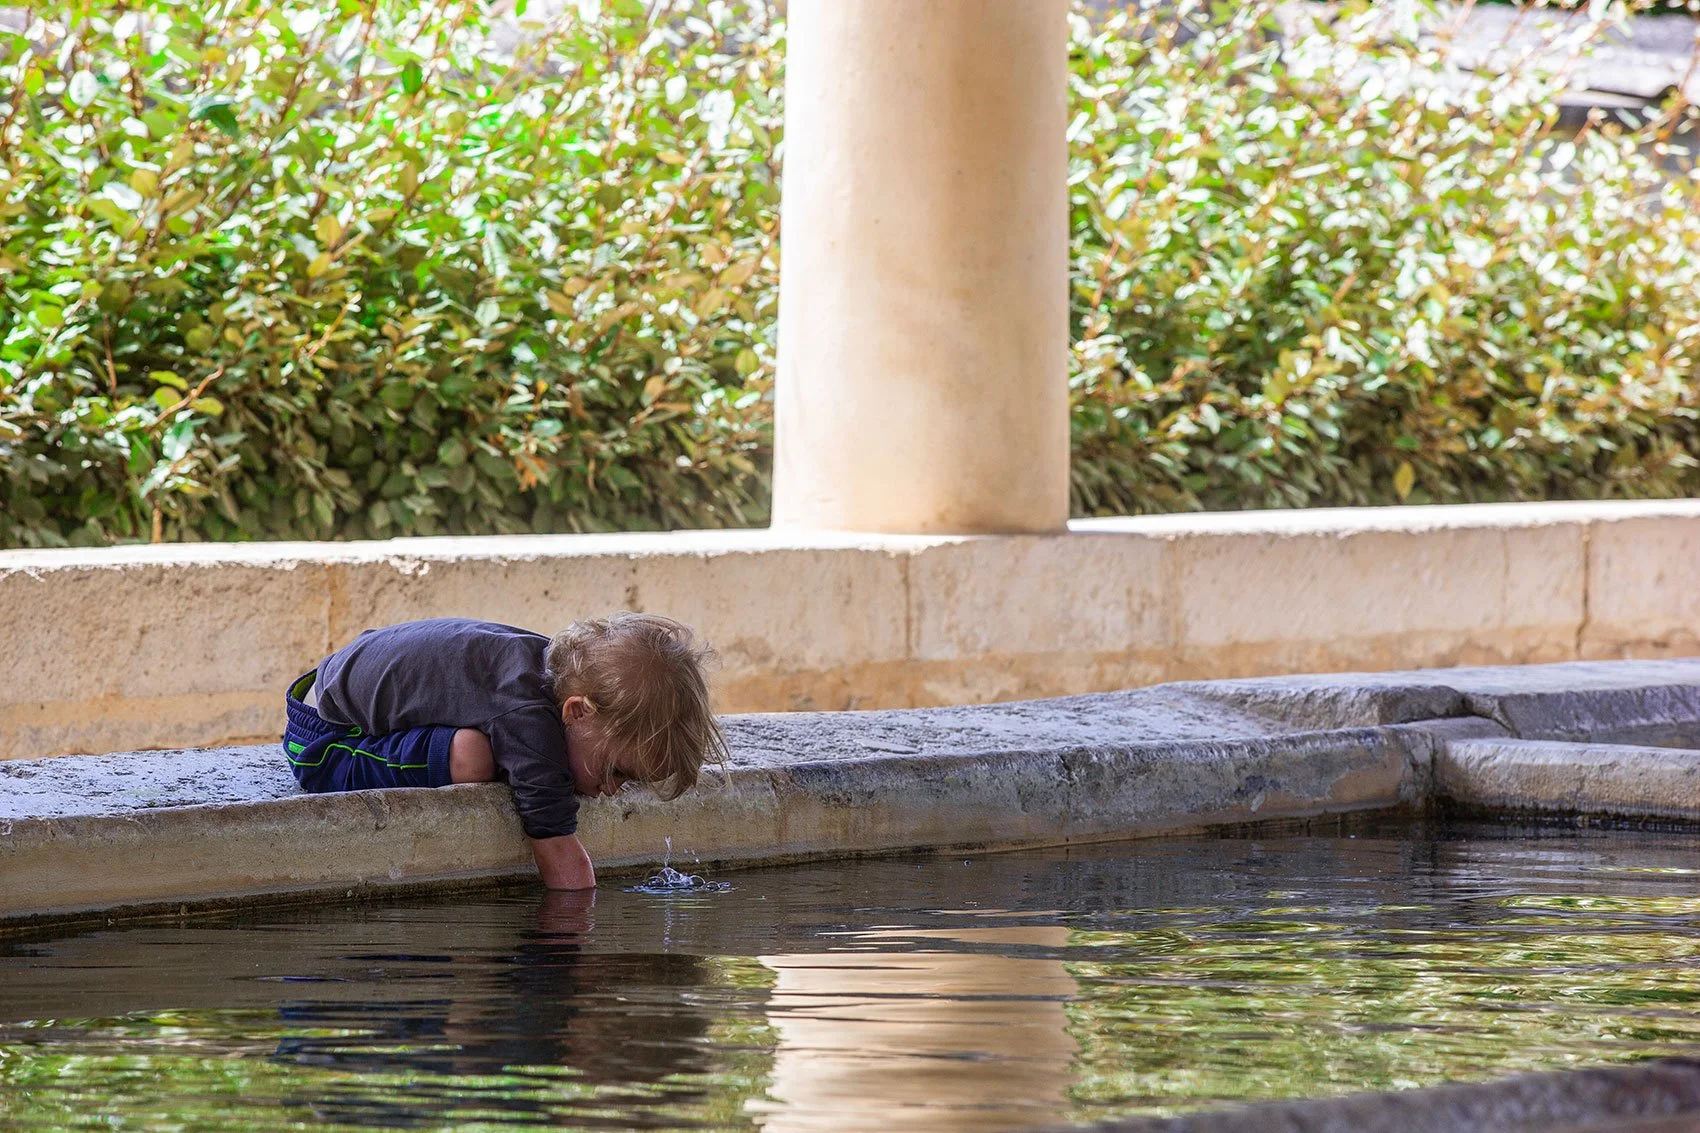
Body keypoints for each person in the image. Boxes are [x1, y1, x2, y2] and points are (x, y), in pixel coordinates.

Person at [282, 613, 727, 890]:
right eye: (615, 771)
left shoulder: (547, 674)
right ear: (577, 712)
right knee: (472, 756)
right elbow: (556, 848)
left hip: (338, 689)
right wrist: (576, 943)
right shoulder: (529, 720)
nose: (613, 791)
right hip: (327, 742)